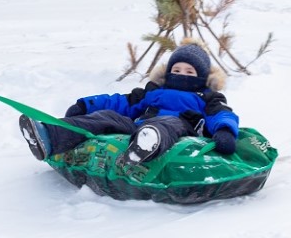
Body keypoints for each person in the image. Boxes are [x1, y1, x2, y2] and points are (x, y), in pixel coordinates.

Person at [19, 39, 239, 165]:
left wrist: (226, 131)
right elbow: (120, 102)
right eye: (177, 69)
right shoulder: (154, 92)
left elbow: (223, 114)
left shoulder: (207, 97)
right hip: (138, 128)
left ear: (201, 77)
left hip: (180, 130)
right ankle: (50, 134)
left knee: (166, 124)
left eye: (189, 71)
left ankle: (147, 146)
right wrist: (87, 105)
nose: (182, 74)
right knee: (107, 118)